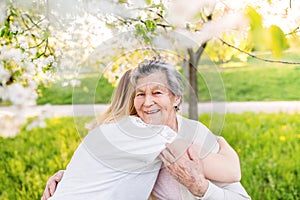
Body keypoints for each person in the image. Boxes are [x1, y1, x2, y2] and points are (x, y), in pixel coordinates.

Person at [42, 60, 250, 200]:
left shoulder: (192, 134)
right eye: (140, 94)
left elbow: (234, 180)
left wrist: (204, 189)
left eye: (156, 92)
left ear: (176, 97)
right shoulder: (142, 132)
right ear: (132, 99)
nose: (147, 102)